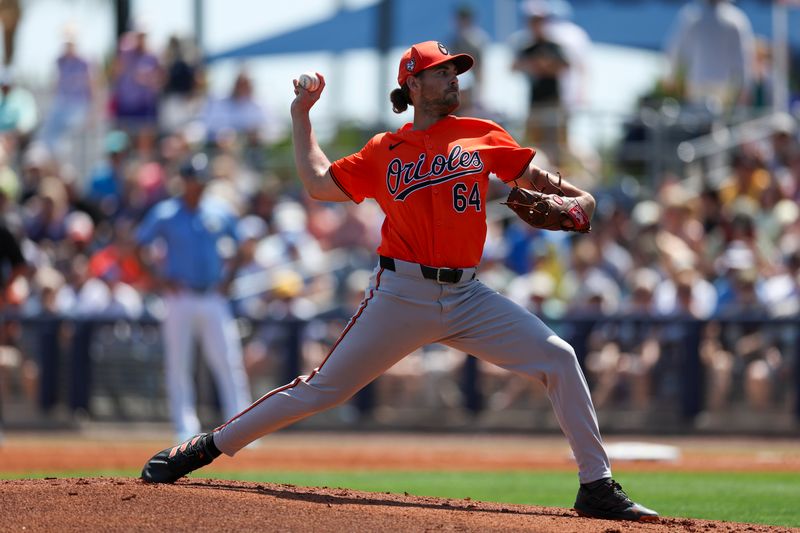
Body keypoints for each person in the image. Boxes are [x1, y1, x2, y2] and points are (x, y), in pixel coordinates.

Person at [140, 40, 658, 523]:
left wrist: (580, 198)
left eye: (455, 70)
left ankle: (596, 486)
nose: (453, 77)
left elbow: (546, 183)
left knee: (559, 357)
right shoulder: (384, 149)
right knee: (321, 389)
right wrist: (301, 116)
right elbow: (319, 184)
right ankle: (206, 446)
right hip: (399, 293)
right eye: (441, 71)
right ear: (412, 84)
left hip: (467, 294)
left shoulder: (483, 134)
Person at [134, 154, 251, 442]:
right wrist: (158, 278)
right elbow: (138, 245)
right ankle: (184, 428)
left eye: (199, 180)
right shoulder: (166, 212)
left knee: (228, 361)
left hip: (212, 295)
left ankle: (243, 426)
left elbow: (244, 246)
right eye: (191, 179)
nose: (195, 185)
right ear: (183, 181)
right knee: (178, 363)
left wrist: (229, 280)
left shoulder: (219, 211)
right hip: (180, 295)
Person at [665, 0, 755, 113]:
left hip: (698, 83)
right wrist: (746, 87)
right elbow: (743, 58)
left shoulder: (691, 16)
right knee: (718, 123)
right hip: (721, 86)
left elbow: (675, 49)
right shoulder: (736, 19)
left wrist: (672, 77)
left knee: (697, 123)